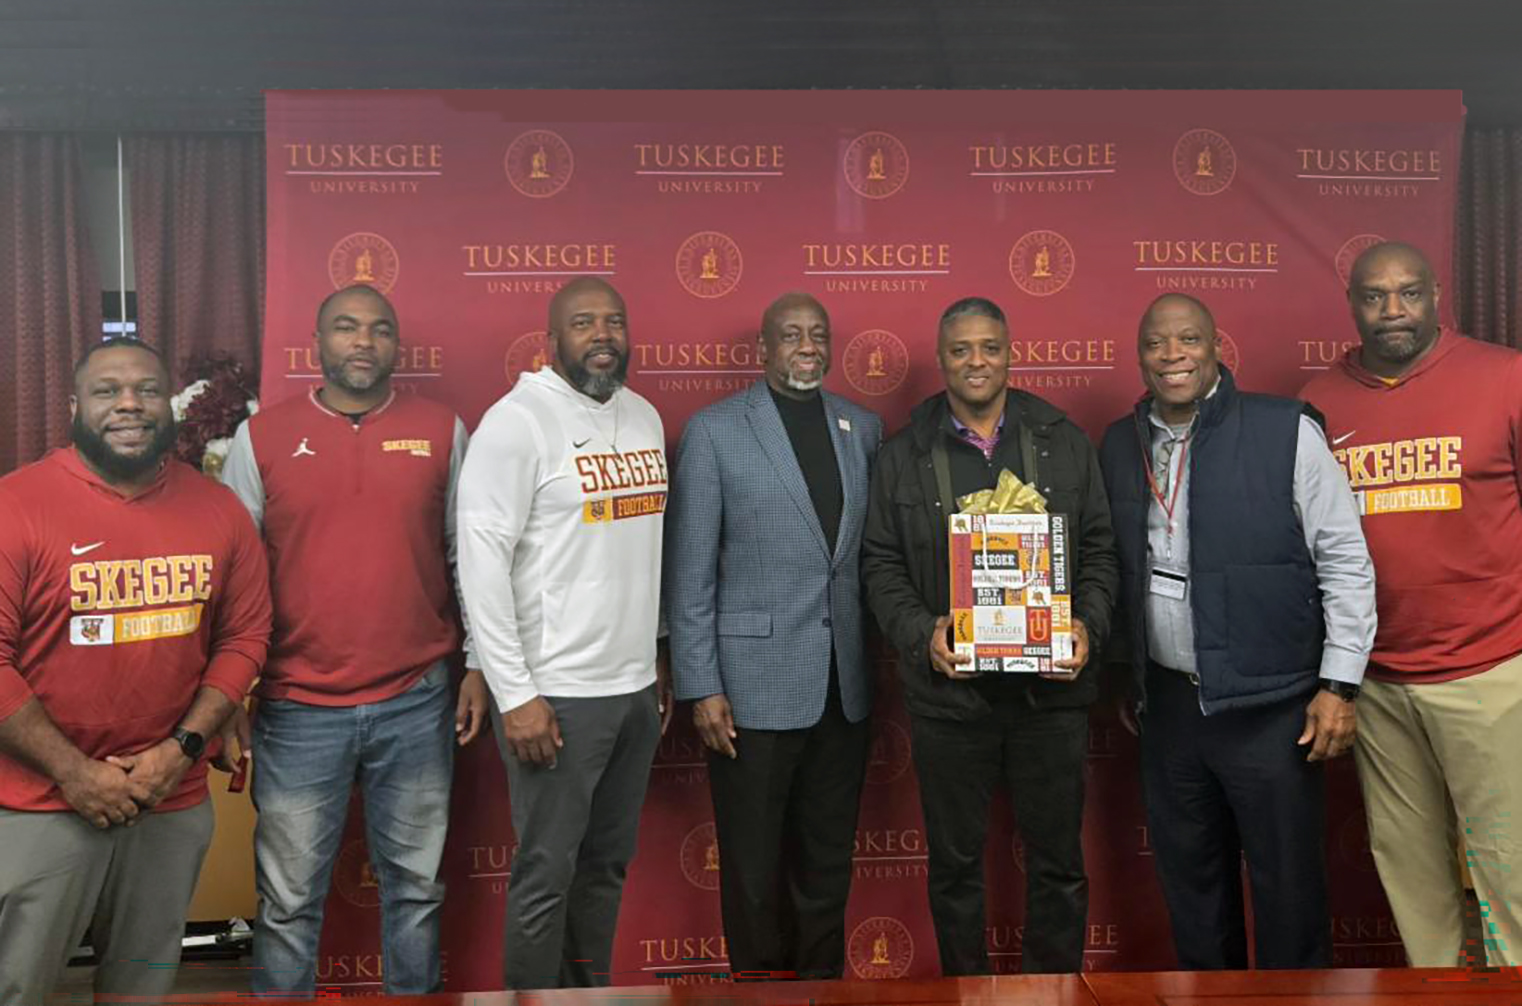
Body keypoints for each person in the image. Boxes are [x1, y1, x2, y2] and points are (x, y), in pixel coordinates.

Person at [221, 284, 489, 995]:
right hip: (296, 707)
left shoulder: (441, 428)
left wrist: (479, 664)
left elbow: (469, 555)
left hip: (416, 699)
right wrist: (227, 697)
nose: (363, 341)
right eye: (346, 327)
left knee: (417, 891)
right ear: (318, 343)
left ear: (396, 345)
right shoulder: (261, 438)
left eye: (378, 328)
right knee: (286, 905)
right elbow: (236, 573)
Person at [1100, 293, 1375, 970]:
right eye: (1156, 344)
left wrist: (1340, 682)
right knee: (1193, 894)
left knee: (1289, 891)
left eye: (1187, 340)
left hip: (1270, 708)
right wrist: (1126, 677)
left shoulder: (1285, 431)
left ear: (1216, 346)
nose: (1172, 357)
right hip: (1169, 711)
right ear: (1140, 356)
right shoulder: (1118, 441)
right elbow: (1110, 565)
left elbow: (1344, 558)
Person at [0, 337, 271, 1004]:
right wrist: (75, 773)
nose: (129, 404)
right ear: (73, 407)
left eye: (146, 390)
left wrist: (180, 753)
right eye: (107, 391)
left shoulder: (218, 509)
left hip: (168, 801)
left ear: (168, 406)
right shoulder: (16, 505)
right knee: (19, 986)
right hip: (40, 804)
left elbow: (244, 637)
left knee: (141, 989)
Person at [861, 296, 1117, 975]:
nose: (976, 361)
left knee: (1059, 864)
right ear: (942, 359)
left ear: (1010, 352)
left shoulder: (1062, 441)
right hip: (951, 700)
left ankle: (1054, 991)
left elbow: (1099, 550)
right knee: (953, 867)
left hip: (1050, 696)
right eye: (960, 350)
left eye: (989, 348)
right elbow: (880, 564)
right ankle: (963, 994)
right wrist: (923, 634)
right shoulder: (904, 453)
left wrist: (1086, 627)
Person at [1302, 242, 1522, 967]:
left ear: (1437, 295)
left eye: (1408, 294)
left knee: (1511, 867)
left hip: (1491, 667)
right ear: (1351, 304)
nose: (1392, 310)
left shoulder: (1506, 378)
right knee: (1408, 866)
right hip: (1377, 678)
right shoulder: (1319, 401)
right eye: (1373, 296)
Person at [458, 276, 673, 990]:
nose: (603, 335)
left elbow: (643, 550)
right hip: (556, 696)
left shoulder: (643, 417)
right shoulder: (517, 423)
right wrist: (515, 694)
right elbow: (482, 566)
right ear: (553, 340)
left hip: (634, 692)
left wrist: (656, 659)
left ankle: (586, 999)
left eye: (614, 320)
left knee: (605, 868)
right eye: (584, 323)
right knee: (547, 876)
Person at [666, 292, 883, 980]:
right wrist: (701, 684)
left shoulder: (864, 427)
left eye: (818, 334)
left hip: (841, 687)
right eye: (791, 334)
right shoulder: (715, 431)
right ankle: (758, 991)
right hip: (750, 692)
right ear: (763, 349)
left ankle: (823, 990)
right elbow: (691, 569)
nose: (807, 346)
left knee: (825, 862)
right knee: (754, 867)